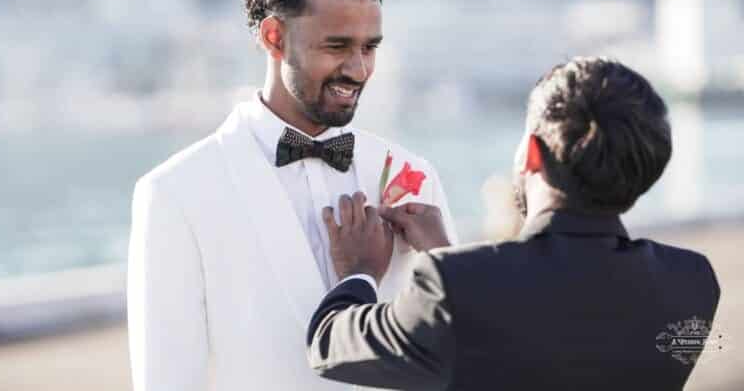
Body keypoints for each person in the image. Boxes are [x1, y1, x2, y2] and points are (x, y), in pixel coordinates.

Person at [127, 0, 458, 391]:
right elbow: (167, 380)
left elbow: (459, 358)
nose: (359, 70)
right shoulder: (176, 192)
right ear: (274, 36)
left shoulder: (411, 172)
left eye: (370, 47)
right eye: (337, 46)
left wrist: (446, 261)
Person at [307, 57, 720, 390]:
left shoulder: (455, 286)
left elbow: (330, 344)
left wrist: (360, 271)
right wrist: (447, 257)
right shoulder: (691, 283)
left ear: (532, 153)